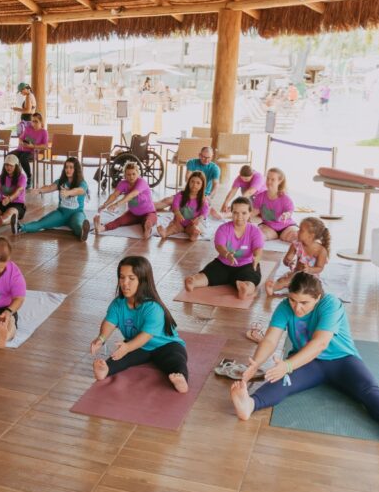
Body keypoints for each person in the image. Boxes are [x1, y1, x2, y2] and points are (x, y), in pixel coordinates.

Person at [229, 272, 379, 446]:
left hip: (342, 360)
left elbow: (320, 343)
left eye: (304, 303)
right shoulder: (284, 306)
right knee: (281, 381)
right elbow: (270, 339)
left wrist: (288, 365)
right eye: (293, 300)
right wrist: (255, 364)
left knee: (369, 391)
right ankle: (250, 405)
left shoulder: (331, 304)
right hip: (307, 362)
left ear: (317, 297)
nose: (296, 308)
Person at [90, 256, 189, 393]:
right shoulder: (118, 304)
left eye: (131, 278)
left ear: (142, 281)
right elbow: (109, 322)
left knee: (176, 359)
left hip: (165, 345)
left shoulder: (153, 308)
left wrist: (127, 347)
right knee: (119, 357)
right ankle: (105, 370)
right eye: (122, 277)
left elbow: (145, 336)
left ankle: (181, 379)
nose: (125, 283)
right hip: (137, 346)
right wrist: (101, 338)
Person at [184, 197, 264, 300]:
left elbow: (258, 248)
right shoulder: (223, 228)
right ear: (231, 213)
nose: (239, 216)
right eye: (235, 213)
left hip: (246, 265)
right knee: (208, 274)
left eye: (244, 213)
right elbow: (219, 246)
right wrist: (227, 254)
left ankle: (244, 288)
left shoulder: (255, 230)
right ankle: (192, 281)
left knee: (252, 279)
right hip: (223, 264)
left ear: (250, 213)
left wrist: (257, 258)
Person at [16, 156, 90, 240]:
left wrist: (68, 192)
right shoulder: (61, 181)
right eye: (66, 167)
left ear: (76, 170)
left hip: (76, 213)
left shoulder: (82, 183)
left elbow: (80, 190)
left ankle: (82, 233)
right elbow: (50, 187)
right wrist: (39, 190)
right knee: (42, 222)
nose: (68, 170)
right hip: (61, 213)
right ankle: (20, 227)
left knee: (77, 224)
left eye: (71, 167)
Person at [264, 217, 331, 298]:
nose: (297, 231)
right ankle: (272, 288)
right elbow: (286, 260)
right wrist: (288, 262)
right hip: (296, 274)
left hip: (311, 277)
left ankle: (299, 291)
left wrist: (309, 269)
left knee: (311, 288)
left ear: (311, 236)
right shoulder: (296, 244)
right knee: (285, 279)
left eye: (301, 230)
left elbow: (319, 268)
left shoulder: (321, 250)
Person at [93, 161, 157, 239]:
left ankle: (147, 230)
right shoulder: (123, 183)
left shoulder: (141, 182)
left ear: (138, 173)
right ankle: (101, 228)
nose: (131, 177)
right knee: (119, 221)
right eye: (128, 174)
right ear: (125, 175)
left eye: (134, 174)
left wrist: (116, 204)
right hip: (133, 213)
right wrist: (105, 204)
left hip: (149, 213)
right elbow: (115, 195)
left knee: (148, 222)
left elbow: (132, 195)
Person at [156, 170, 209, 240]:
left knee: (194, 229)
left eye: (198, 183)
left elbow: (205, 212)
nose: (194, 185)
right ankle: (165, 232)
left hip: (191, 224)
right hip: (179, 223)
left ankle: (194, 235)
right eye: (192, 181)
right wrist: (177, 213)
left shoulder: (203, 199)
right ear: (188, 182)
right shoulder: (180, 195)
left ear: (202, 186)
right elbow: (175, 205)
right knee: (172, 227)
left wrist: (199, 218)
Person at [252, 167, 298, 242]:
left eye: (272, 179)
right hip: (268, 227)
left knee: (299, 238)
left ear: (279, 181)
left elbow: (289, 211)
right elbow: (254, 212)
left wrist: (286, 215)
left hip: (286, 227)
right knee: (256, 236)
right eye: (268, 178)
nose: (269, 181)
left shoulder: (285, 198)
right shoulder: (260, 196)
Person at [6, 112, 49, 186]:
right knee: (9, 156)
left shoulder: (43, 132)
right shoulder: (28, 129)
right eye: (32, 121)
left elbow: (45, 146)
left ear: (41, 122)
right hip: (21, 149)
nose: (34, 123)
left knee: (23, 158)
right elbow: (20, 138)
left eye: (36, 121)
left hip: (32, 152)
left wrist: (33, 146)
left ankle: (29, 177)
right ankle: (13, 177)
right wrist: (21, 142)